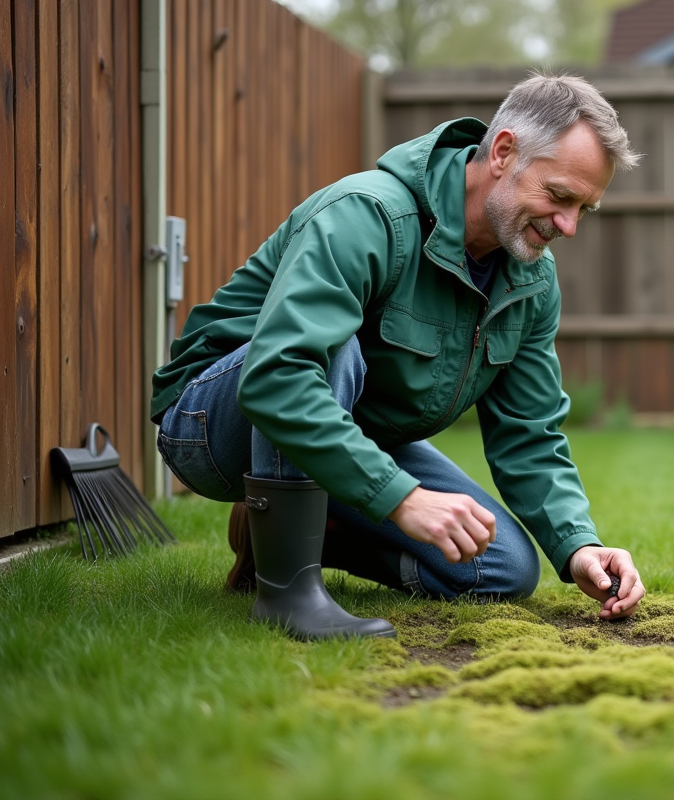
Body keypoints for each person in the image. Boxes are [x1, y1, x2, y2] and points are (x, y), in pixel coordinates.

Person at [150, 74, 646, 640]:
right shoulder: (368, 215)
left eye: (586, 207)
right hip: (210, 422)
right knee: (336, 347)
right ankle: (287, 593)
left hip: (352, 429)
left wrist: (581, 544)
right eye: (559, 197)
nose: (569, 226)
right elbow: (279, 376)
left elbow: (528, 432)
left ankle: (310, 531)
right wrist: (401, 497)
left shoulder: (530, 280)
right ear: (504, 152)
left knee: (502, 568)